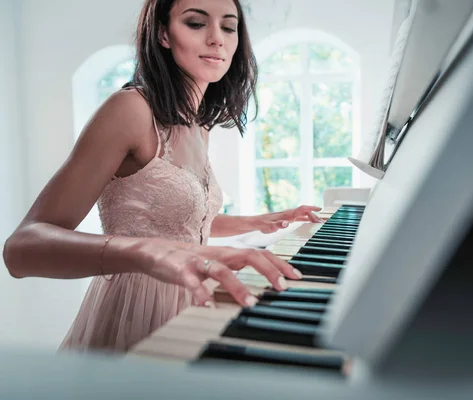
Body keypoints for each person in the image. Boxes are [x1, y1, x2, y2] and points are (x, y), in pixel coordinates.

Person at [2, 0, 323, 353]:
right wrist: (148, 252)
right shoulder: (129, 110)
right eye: (196, 23)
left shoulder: (199, 125)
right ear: (163, 35)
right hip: (133, 311)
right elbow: (21, 250)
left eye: (229, 27)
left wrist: (256, 222)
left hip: (192, 305)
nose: (217, 39)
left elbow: (170, 220)